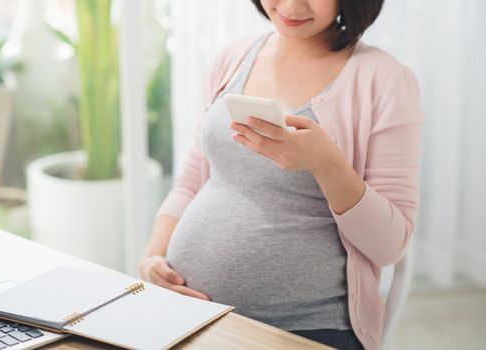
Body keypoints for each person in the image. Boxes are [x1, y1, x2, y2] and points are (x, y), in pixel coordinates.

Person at [139, 1, 425, 349]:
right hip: (190, 315)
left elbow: (390, 245)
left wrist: (327, 165)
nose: (291, 5)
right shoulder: (234, 57)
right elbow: (191, 182)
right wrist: (152, 259)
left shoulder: (384, 80)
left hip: (302, 329)